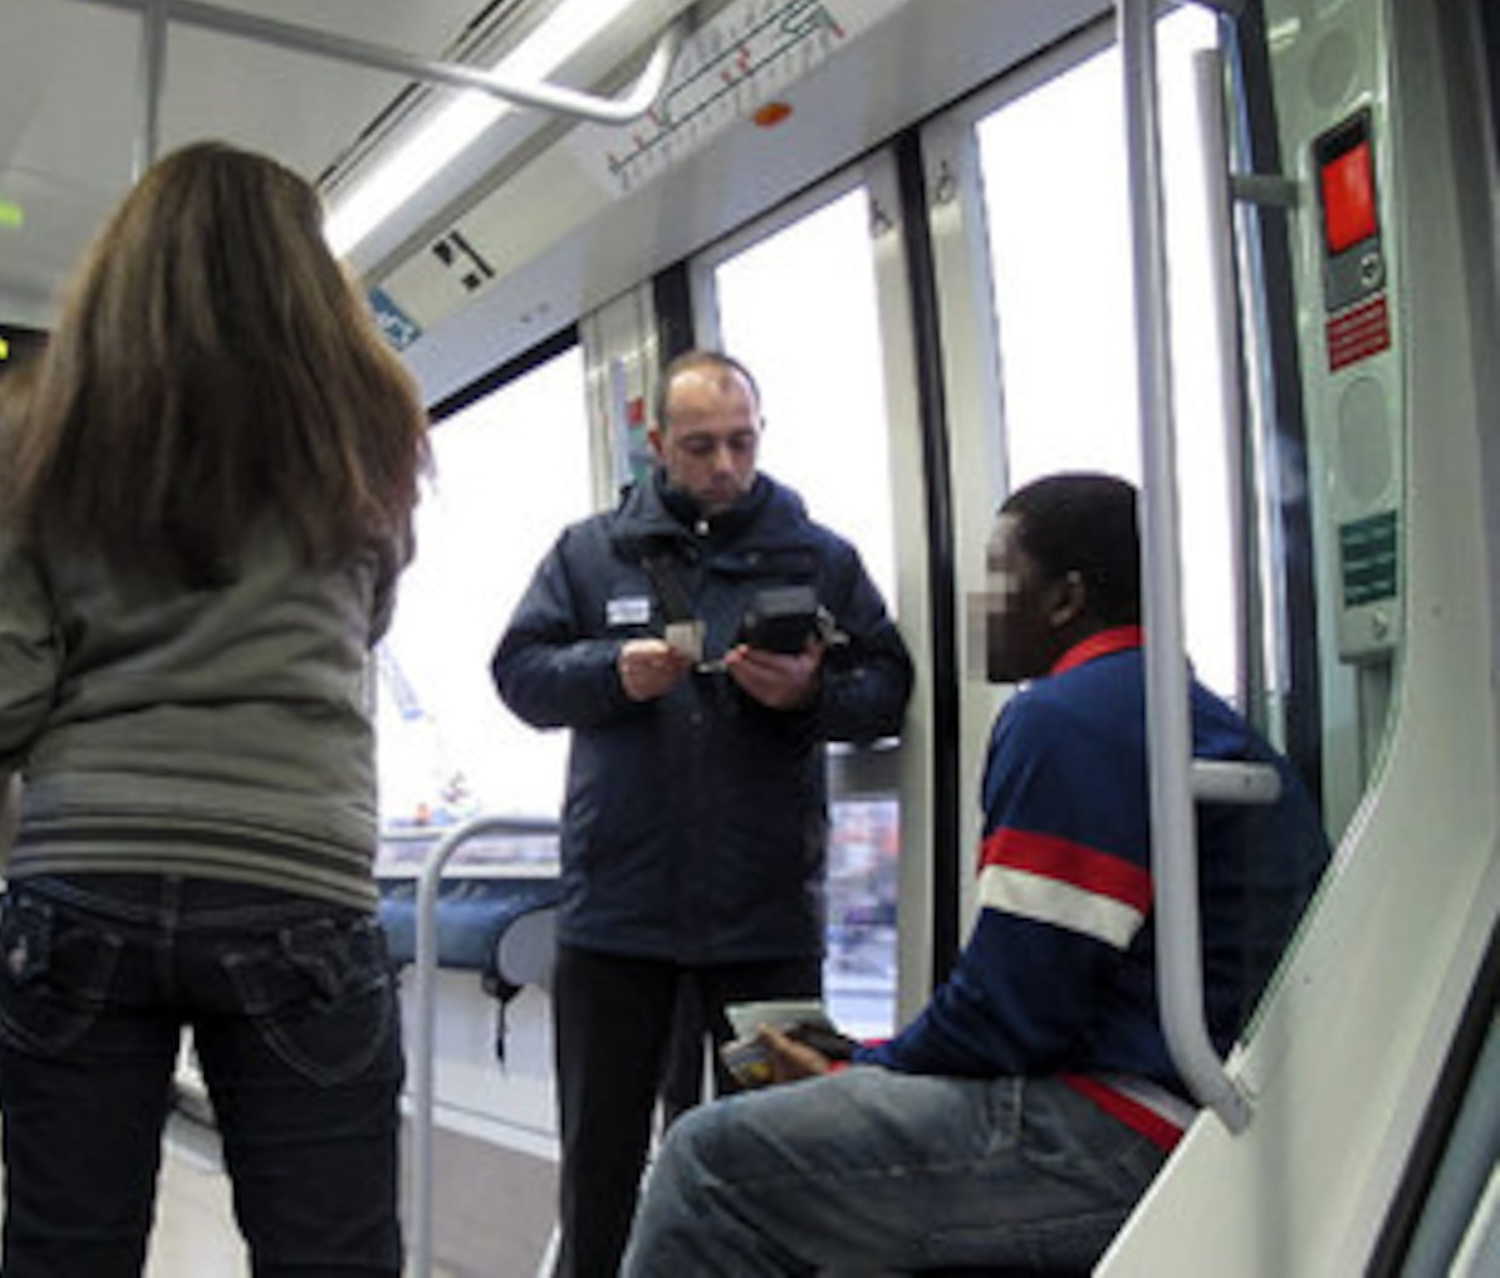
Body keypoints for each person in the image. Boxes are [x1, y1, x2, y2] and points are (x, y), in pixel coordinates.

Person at [0, 140, 428, 1278]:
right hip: (298, 876)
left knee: (65, 1250)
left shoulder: (35, 424)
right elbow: (369, 618)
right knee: (333, 1255)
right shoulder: (371, 426)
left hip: (86, 876)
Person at [620, 472, 1331, 1276]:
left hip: (1123, 1131)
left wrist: (862, 1064)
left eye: (997, 576)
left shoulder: (1066, 718)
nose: (976, 604)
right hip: (1210, 1110)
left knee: (708, 1160)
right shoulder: (1168, 705)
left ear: (1065, 598)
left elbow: (1013, 1014)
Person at [491, 349, 914, 1277]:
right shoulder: (589, 553)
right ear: (657, 446)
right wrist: (610, 673)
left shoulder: (818, 556)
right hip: (614, 920)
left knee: (779, 1165)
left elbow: (887, 686)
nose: (724, 465)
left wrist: (808, 693)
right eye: (699, 446)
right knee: (598, 1167)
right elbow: (518, 674)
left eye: (741, 441)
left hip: (765, 920)